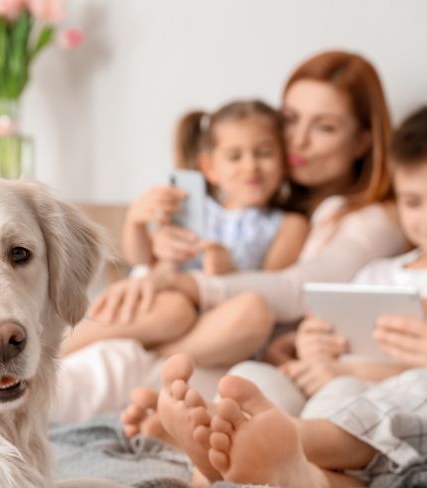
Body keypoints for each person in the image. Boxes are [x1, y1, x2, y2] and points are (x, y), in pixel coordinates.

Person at [149, 102, 427, 488]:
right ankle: (219, 463)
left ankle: (283, 458)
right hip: (326, 380)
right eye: (413, 202)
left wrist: (342, 372)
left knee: (344, 394)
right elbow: (326, 331)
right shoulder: (377, 271)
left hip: (376, 395)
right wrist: (309, 343)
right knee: (251, 377)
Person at [55, 50, 407, 423]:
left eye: (325, 127)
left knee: (148, 351)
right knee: (129, 343)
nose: (298, 141)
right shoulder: (257, 200)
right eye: (290, 119)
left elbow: (293, 289)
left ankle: (131, 359)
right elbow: (155, 256)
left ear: (363, 140)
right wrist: (150, 243)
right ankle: (65, 350)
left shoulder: (373, 220)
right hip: (182, 328)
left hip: (232, 347)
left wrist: (181, 281)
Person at [61, 99, 309, 357]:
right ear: (210, 168)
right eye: (235, 156)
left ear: (284, 160)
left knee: (251, 310)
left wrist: (230, 271)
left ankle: (157, 357)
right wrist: (136, 222)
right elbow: (142, 259)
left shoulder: (289, 225)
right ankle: (61, 349)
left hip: (219, 322)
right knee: (174, 310)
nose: (251, 166)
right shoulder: (190, 205)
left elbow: (273, 290)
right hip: (168, 309)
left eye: (264, 153)